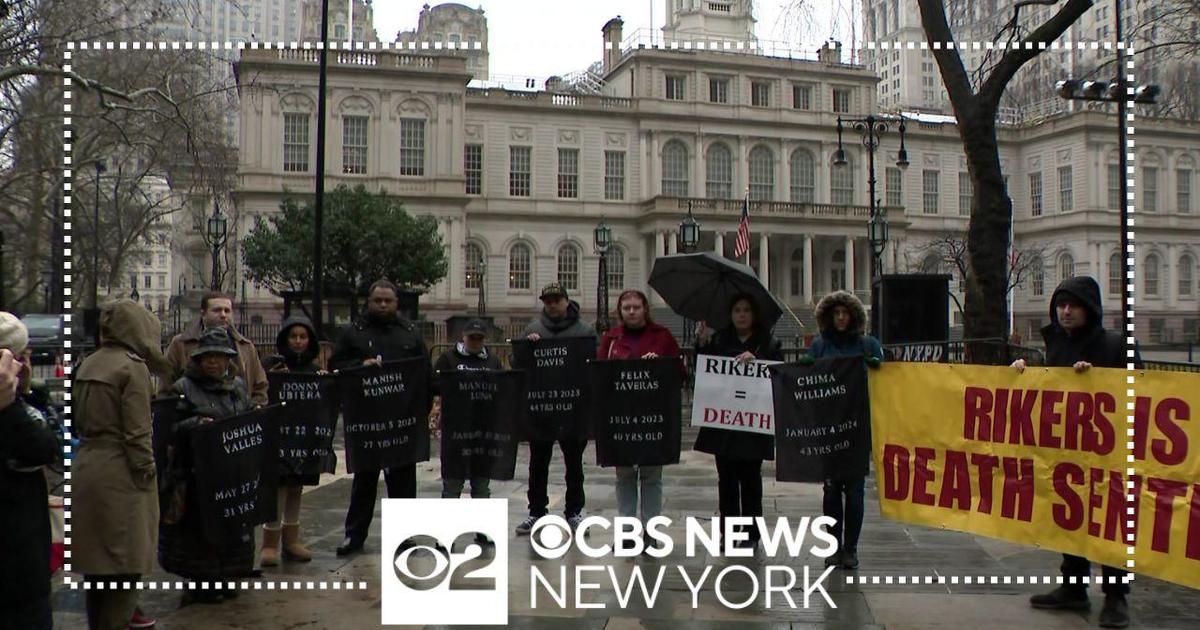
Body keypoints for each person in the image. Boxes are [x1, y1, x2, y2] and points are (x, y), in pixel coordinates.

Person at [1016, 276, 1141, 629]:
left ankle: (1116, 597)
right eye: (1061, 305)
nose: (1065, 311)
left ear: (1090, 308)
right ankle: (1073, 585)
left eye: (1073, 305)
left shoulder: (1117, 346)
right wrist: (1021, 376)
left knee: (1109, 525)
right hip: (1068, 453)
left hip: (1109, 455)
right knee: (1069, 519)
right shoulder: (1055, 343)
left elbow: (1143, 394)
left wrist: (1099, 379)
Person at [330, 279, 431, 556]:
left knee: (403, 480)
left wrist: (424, 409)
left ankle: (403, 536)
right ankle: (354, 535)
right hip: (367, 420)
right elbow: (336, 367)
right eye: (378, 300)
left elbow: (424, 373)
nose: (383, 305)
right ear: (369, 302)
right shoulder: (353, 333)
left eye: (388, 300)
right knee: (364, 480)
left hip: (402, 419)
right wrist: (359, 366)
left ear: (397, 303)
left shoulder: (410, 333)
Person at [159, 326, 257, 605]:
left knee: (232, 529)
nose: (213, 362)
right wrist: (195, 425)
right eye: (208, 357)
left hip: (231, 471)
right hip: (195, 474)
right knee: (199, 534)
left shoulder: (238, 386)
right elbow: (169, 427)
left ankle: (227, 577)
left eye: (219, 356)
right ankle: (201, 582)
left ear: (228, 359)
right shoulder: (183, 388)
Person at [693, 294, 784, 550]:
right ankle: (729, 532)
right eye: (736, 310)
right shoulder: (720, 339)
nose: (741, 315)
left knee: (751, 479)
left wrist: (758, 360)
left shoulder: (768, 341)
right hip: (725, 423)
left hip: (753, 422)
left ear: (754, 314)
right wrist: (700, 343)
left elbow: (779, 373)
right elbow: (701, 374)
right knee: (727, 479)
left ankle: (752, 533)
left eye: (746, 310)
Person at [802, 290, 883, 570]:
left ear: (853, 316)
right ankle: (834, 546)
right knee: (832, 490)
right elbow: (807, 379)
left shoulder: (868, 345)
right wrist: (806, 367)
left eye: (844, 313)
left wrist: (878, 366)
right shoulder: (820, 346)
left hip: (858, 424)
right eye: (835, 313)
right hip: (829, 424)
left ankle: (851, 548)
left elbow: (886, 379)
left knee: (856, 490)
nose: (840, 318)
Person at [597, 290, 681, 550]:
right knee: (624, 476)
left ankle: (651, 530)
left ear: (645, 309)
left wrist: (660, 364)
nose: (631, 311)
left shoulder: (662, 336)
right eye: (626, 307)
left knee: (651, 476)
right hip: (620, 416)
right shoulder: (611, 339)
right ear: (620, 311)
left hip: (653, 415)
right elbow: (600, 376)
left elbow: (679, 372)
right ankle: (627, 530)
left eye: (636, 307)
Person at [516, 282, 597, 536]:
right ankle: (536, 511)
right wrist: (527, 347)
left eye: (556, 300)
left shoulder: (584, 329)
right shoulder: (533, 328)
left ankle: (574, 511)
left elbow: (593, 364)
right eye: (547, 301)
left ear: (566, 300)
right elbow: (519, 364)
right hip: (542, 408)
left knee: (574, 464)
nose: (552, 305)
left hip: (573, 408)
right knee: (538, 464)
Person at [0, 314, 60, 630]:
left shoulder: (30, 400)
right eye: (19, 357)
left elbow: (49, 449)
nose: (27, 364)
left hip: (29, 572)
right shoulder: (12, 408)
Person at [260, 316, 329, 567]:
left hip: (304, 439)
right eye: (293, 336)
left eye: (303, 337)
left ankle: (291, 541)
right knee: (277, 488)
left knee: (296, 488)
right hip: (278, 437)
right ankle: (269, 542)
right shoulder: (273, 365)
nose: (298, 341)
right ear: (284, 339)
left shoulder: (313, 370)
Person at [431, 318, 502, 505]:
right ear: (463, 337)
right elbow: (434, 385)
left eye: (479, 338)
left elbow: (502, 389)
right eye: (472, 338)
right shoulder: (448, 358)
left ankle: (481, 530)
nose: (475, 342)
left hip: (483, 431)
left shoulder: (493, 360)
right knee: (452, 484)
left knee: (481, 485)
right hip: (456, 431)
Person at [162, 291, 268, 406]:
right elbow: (166, 386)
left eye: (227, 311)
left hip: (238, 417)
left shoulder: (245, 346)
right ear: (203, 314)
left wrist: (255, 408)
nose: (223, 315)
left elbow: (260, 385)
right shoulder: (181, 343)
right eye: (217, 310)